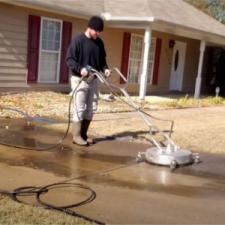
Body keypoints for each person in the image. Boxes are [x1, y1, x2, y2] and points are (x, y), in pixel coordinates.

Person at [66, 16, 110, 146]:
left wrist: (106, 69)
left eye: (100, 31)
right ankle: (76, 135)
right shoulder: (78, 41)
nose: (98, 33)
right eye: (96, 31)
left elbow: (102, 61)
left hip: (94, 79)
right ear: (90, 28)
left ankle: (84, 134)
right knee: (80, 107)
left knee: (92, 107)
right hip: (79, 79)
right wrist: (80, 69)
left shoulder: (99, 43)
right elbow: (69, 60)